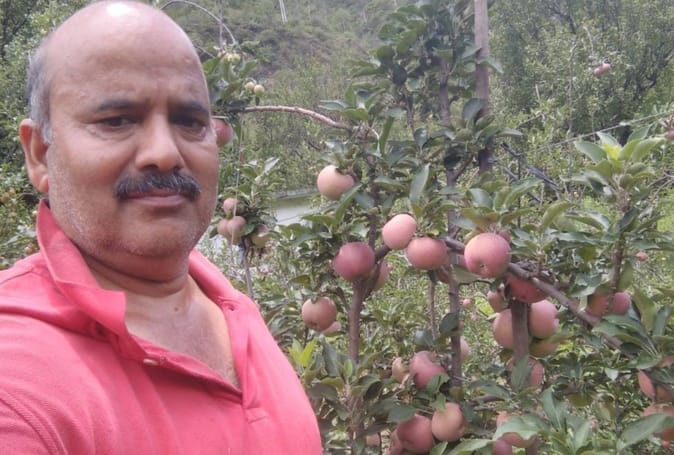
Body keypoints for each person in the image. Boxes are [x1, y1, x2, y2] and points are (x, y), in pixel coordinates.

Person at [0, 1, 322, 453]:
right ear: (39, 154)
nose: (165, 153)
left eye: (190, 122)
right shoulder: (18, 380)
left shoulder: (232, 308)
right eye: (117, 121)